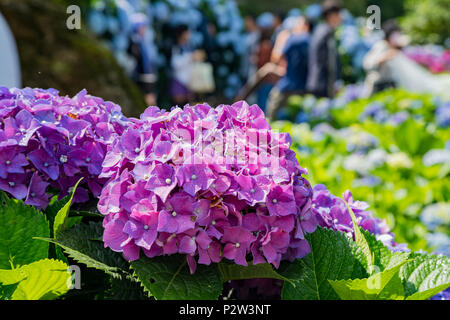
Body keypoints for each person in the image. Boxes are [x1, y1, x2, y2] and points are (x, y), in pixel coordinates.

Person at [266, 16, 313, 121]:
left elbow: (276, 57)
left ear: (305, 26)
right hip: (305, 89)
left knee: (271, 119)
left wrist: (281, 38)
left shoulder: (294, 39)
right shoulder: (312, 40)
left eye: (298, 24)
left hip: (287, 87)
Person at [306, 0, 342, 98]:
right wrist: (335, 85)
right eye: (339, 14)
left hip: (316, 83)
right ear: (331, 15)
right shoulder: (327, 33)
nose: (341, 18)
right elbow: (329, 63)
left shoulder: (320, 30)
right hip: (323, 86)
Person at [362, 20, 408, 96]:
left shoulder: (398, 49)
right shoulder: (381, 46)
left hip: (391, 85)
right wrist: (385, 56)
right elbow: (368, 64)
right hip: (377, 86)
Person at [169, 24, 205, 106]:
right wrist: (191, 57)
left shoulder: (189, 46)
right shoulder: (177, 47)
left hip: (190, 82)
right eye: (187, 32)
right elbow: (175, 64)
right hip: (179, 80)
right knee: (179, 106)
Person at [128, 13, 157, 106]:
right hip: (138, 81)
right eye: (141, 27)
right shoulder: (133, 43)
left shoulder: (144, 42)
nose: (144, 30)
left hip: (147, 80)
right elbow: (138, 65)